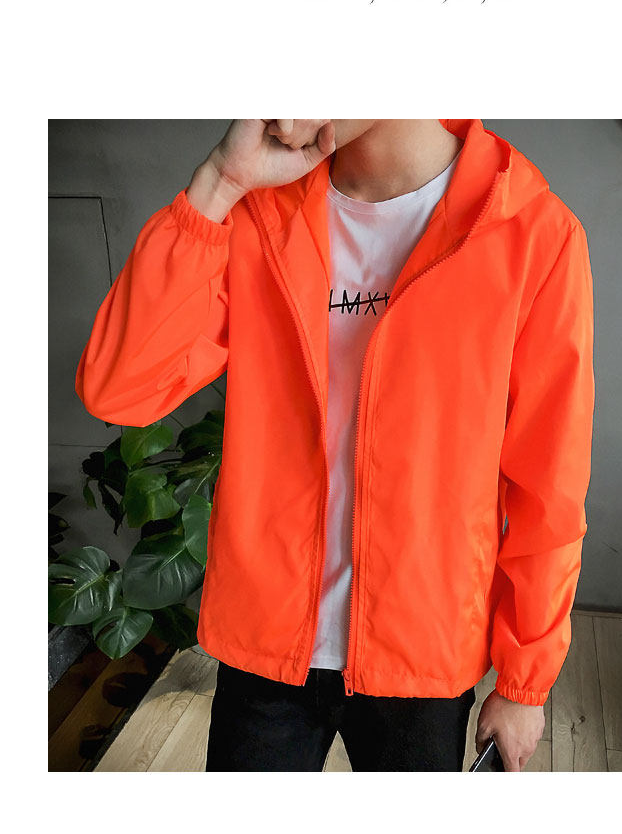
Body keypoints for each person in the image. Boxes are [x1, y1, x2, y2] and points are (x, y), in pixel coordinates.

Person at [75, 118, 595, 772]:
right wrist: (220, 184)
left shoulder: (531, 230)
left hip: (422, 650)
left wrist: (524, 681)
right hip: (265, 640)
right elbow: (120, 389)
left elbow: (550, 482)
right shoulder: (260, 212)